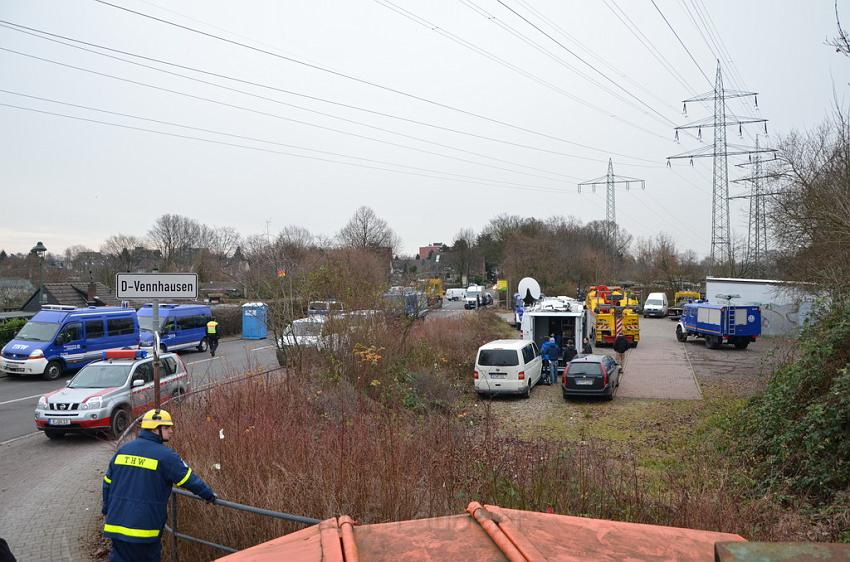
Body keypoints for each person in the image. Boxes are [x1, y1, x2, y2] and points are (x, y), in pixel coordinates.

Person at [102, 409, 216, 562]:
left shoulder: (123, 450)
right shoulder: (166, 456)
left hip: (116, 524)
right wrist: (209, 495)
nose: (171, 431)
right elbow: (190, 480)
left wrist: (106, 509)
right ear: (155, 429)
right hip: (144, 529)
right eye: (167, 427)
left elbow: (107, 483)